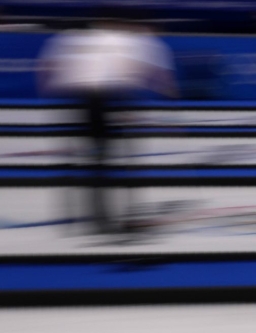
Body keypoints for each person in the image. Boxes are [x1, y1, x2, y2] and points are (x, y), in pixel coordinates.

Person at [38, 13, 176, 236]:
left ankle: (95, 218)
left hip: (88, 101)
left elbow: (48, 69)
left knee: (95, 161)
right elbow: (137, 70)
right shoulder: (117, 40)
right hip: (104, 100)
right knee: (104, 162)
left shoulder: (72, 39)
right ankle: (107, 218)